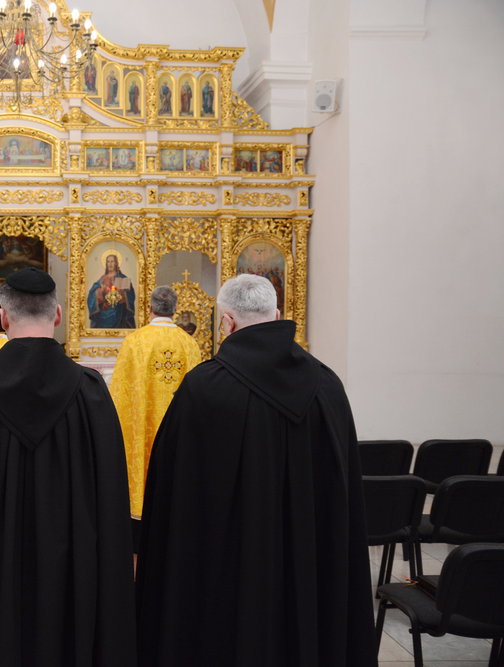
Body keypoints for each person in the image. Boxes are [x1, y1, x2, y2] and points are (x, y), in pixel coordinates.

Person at [135, 274, 376, 666]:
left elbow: (172, 499)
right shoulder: (327, 386)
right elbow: (342, 495)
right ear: (277, 315)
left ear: (227, 322)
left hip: (226, 588)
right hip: (308, 575)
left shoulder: (203, 388)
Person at [0, 268, 136, 667]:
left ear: (3, 318)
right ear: (58, 315)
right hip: (72, 577)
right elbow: (110, 501)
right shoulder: (90, 392)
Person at [109, 286, 201, 536]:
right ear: (175, 309)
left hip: (142, 430)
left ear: (149, 308)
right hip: (178, 432)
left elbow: (119, 394)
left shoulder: (135, 342)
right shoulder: (189, 344)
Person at [87, 253, 136, 329]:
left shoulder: (122, 278)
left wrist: (123, 294)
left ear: (116, 263)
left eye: (112, 261)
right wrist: (101, 291)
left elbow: (130, 295)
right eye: (108, 261)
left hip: (119, 312)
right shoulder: (102, 279)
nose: (110, 264)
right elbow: (92, 294)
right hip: (104, 313)